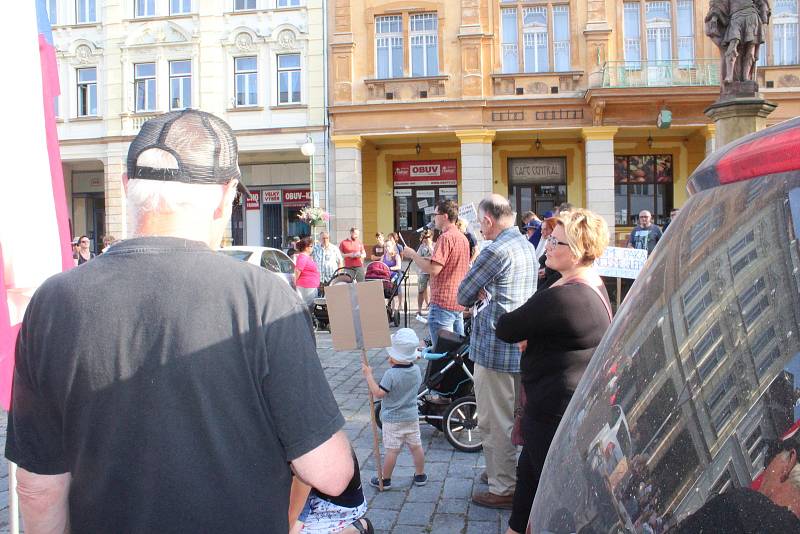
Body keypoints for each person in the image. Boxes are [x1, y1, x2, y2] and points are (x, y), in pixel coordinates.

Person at [4, 109, 354, 533]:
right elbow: (330, 473)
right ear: (226, 196)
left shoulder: (52, 302)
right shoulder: (264, 299)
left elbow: (37, 486)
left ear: (126, 186)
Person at [494, 209, 612, 534]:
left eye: (554, 240)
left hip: (552, 412)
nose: (546, 244)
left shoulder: (564, 297)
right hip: (567, 407)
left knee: (553, 494)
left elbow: (506, 326)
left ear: (574, 251)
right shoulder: (590, 285)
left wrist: (544, 298)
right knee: (529, 477)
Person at [457, 194, 538, 510]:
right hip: (518, 346)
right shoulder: (524, 245)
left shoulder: (494, 250)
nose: (479, 228)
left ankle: (503, 486)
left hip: (493, 348)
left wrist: (480, 289)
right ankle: (502, 472)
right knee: (515, 417)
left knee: (494, 421)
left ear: (488, 220)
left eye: (480, 222)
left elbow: (464, 294)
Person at [361, 328, 427, 491]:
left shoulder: (390, 375)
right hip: (412, 416)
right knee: (416, 446)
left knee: (392, 450)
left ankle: (386, 478)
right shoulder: (416, 370)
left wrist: (369, 375)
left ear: (395, 356)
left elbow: (379, 393)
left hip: (392, 419)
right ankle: (420, 475)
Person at [402, 200, 470, 347]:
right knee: (456, 353)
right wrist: (427, 258)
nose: (434, 218)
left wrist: (413, 255)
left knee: (442, 353)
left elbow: (434, 269)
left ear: (444, 216)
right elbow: (449, 263)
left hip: (443, 303)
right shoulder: (462, 237)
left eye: (435, 214)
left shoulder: (445, 238)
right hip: (457, 302)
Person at [289, 449, 373, 534]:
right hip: (319, 495)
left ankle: (354, 529)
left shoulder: (302, 454)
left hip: (338, 507)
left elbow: (294, 515)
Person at [295, 237, 321, 309]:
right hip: (306, 287)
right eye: (311, 246)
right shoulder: (303, 257)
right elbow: (297, 271)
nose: (312, 248)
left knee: (310, 308)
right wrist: (295, 283)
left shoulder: (306, 257)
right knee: (307, 308)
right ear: (306, 247)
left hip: (310, 286)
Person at [536, 217, 562, 289]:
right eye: (541, 229)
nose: (542, 232)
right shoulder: (546, 243)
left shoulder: (559, 246)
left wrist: (547, 271)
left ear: (554, 229)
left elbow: (561, 266)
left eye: (545, 229)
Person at [415, 229, 434, 322]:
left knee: (432, 291)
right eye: (423, 237)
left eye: (426, 237)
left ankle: (430, 309)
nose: (424, 239)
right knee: (421, 290)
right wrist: (426, 258)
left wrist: (430, 246)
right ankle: (419, 309)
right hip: (423, 271)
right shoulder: (421, 247)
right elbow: (417, 257)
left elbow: (435, 257)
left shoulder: (434, 245)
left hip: (432, 271)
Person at [382, 235, 403, 312]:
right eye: (385, 246)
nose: (387, 248)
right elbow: (380, 265)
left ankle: (394, 311)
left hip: (394, 276)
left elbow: (399, 266)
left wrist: (389, 268)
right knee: (387, 295)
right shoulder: (383, 256)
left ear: (392, 246)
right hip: (385, 277)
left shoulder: (396, 255)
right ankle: (388, 309)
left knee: (393, 295)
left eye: (388, 246)